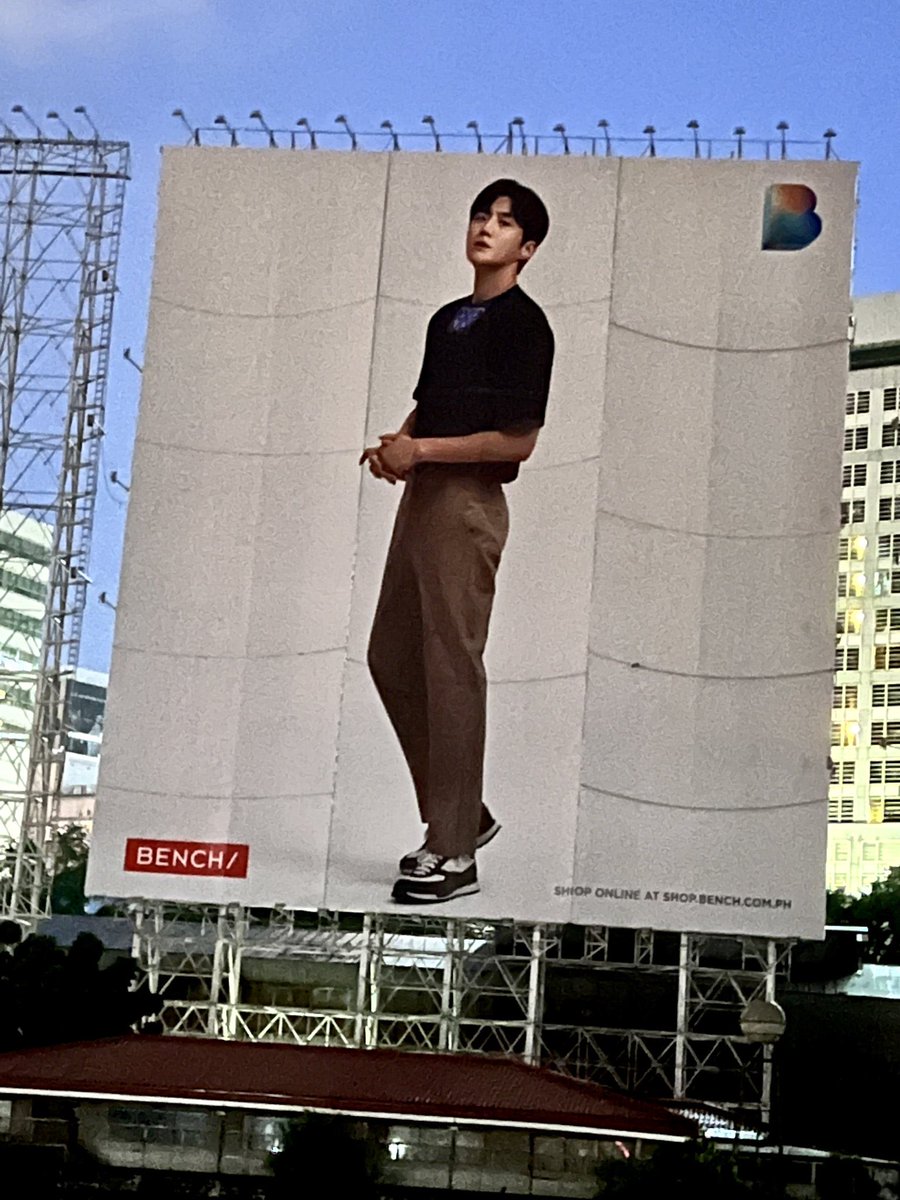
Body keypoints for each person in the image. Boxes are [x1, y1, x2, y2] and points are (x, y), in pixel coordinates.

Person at [359, 178, 555, 905]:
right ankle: (462, 813)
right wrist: (397, 445)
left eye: (505, 223)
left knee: (451, 664)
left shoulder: (525, 325)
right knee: (390, 656)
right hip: (421, 498)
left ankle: (454, 854)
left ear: (525, 248)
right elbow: (428, 404)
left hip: (467, 501)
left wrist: (427, 454)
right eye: (481, 214)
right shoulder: (448, 321)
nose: (487, 228)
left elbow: (519, 441)